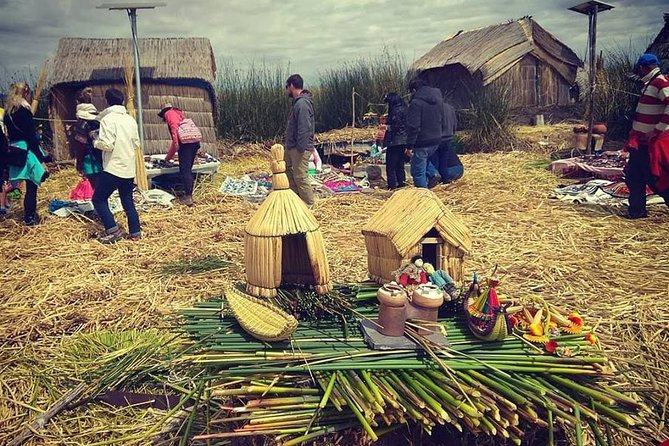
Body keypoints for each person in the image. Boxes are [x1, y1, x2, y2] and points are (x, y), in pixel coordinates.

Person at [91, 88, 141, 243]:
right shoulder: (130, 119)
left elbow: (107, 145)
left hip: (114, 167)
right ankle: (135, 232)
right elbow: (136, 143)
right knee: (127, 200)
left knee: (98, 199)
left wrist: (95, 140)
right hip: (128, 167)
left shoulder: (108, 119)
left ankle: (113, 231)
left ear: (107, 101)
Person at [622, 53, 669, 219]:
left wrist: (657, 130)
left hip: (651, 143)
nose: (639, 72)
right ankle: (636, 211)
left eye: (640, 69)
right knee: (634, 176)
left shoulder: (660, 82)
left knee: (656, 179)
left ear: (644, 68)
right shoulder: (649, 84)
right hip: (640, 141)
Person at [3, 82, 47, 225]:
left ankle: (9, 207)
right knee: (32, 185)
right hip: (26, 149)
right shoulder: (24, 110)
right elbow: (30, 135)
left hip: (14, 148)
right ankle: (29, 217)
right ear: (26, 93)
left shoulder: (8, 112)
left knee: (15, 184)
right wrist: (41, 157)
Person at [158, 103, 201, 207]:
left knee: (184, 170)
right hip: (194, 142)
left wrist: (177, 144)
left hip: (185, 144)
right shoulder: (180, 114)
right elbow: (175, 141)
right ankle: (187, 192)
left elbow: (174, 129)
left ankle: (188, 197)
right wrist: (168, 157)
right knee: (188, 169)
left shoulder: (169, 113)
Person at [405, 77, 444, 188]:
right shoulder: (438, 100)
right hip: (436, 139)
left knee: (418, 172)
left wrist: (409, 146)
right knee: (424, 159)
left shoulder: (416, 103)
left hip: (422, 141)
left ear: (414, 90)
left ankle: (422, 197)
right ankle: (433, 173)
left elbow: (414, 127)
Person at [284, 74, 315, 207]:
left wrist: (300, 148)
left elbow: (304, 127)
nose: (286, 90)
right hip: (292, 146)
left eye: (287, 87)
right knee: (285, 169)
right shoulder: (297, 103)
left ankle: (309, 204)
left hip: (299, 147)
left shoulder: (302, 104)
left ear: (292, 86)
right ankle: (297, 199)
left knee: (300, 176)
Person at [71, 87, 103, 189]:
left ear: (77, 102)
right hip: (103, 158)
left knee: (96, 191)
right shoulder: (99, 119)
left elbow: (81, 145)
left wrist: (79, 164)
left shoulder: (82, 122)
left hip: (90, 160)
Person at [431, 95, 464, 184]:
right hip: (448, 136)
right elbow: (455, 122)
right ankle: (445, 180)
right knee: (444, 159)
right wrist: (452, 132)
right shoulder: (450, 108)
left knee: (435, 158)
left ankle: (436, 177)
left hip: (437, 137)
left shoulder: (433, 109)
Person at [383, 92, 408, 189]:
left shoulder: (395, 111)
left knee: (391, 165)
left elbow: (396, 125)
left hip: (395, 141)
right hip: (404, 140)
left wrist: (387, 127)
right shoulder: (405, 108)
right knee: (400, 164)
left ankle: (392, 185)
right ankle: (401, 183)